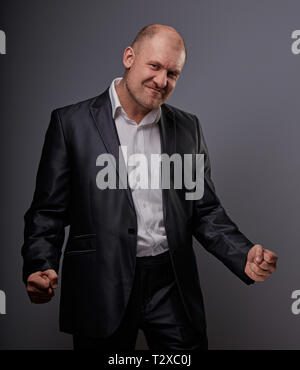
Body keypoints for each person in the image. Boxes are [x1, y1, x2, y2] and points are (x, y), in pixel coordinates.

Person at [21, 24, 278, 350]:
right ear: (129, 57)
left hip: (170, 283)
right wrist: (40, 264)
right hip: (101, 283)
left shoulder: (188, 127)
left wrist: (244, 254)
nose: (161, 81)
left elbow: (205, 209)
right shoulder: (70, 123)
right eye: (154, 66)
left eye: (173, 73)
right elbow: (48, 211)